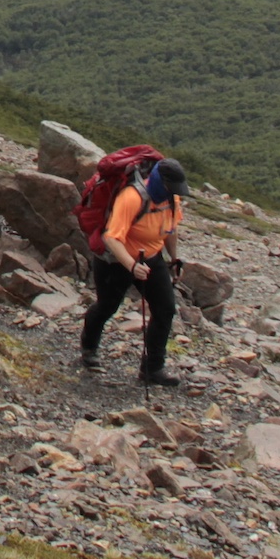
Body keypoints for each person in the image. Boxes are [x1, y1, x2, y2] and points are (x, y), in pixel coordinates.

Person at [80, 156, 188, 386]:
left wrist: (174, 259)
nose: (174, 193)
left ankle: (152, 368)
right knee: (107, 306)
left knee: (165, 309)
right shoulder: (131, 197)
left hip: (150, 257)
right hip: (116, 262)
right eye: (171, 188)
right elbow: (111, 237)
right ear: (161, 181)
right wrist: (131, 265)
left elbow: (170, 229)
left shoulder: (171, 199)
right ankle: (89, 347)